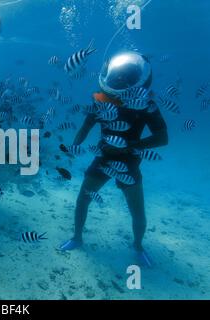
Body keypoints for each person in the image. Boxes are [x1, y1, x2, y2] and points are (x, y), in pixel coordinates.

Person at [59, 51, 169, 268]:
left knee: (137, 210)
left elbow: (162, 138)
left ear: (134, 80)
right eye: (115, 76)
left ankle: (138, 247)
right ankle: (77, 238)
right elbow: (85, 127)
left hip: (128, 162)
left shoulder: (145, 103)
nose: (118, 81)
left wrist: (131, 146)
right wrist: (74, 147)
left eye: (123, 77)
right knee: (83, 199)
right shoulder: (101, 100)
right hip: (103, 158)